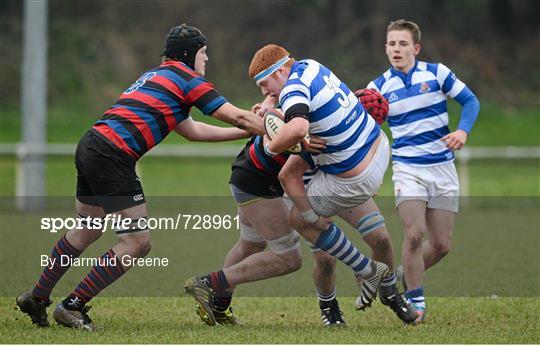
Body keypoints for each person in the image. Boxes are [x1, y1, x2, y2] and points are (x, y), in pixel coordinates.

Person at [16, 24, 265, 331]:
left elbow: (193, 131)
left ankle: (37, 297)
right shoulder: (186, 80)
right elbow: (236, 114)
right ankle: (73, 306)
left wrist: (247, 128)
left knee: (87, 230)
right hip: (113, 155)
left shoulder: (158, 77)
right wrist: (267, 125)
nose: (207, 59)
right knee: (136, 242)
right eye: (203, 52)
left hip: (92, 144)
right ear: (188, 55)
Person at [185, 44, 417, 324]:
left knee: (380, 238)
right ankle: (329, 309)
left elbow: (277, 107)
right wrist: (276, 133)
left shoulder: (320, 104)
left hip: (319, 176)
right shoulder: (302, 108)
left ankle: (390, 294)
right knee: (301, 255)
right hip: (260, 180)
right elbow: (289, 171)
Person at [362, 19, 480, 324]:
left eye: (402, 44)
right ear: (385, 48)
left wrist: (463, 132)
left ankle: (405, 273)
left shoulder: (437, 73)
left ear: (416, 48)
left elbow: (470, 101)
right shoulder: (377, 88)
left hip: (442, 168)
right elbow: (364, 131)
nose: (396, 49)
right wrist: (367, 173)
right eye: (391, 44)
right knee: (414, 234)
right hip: (407, 169)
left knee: (441, 246)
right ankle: (416, 303)